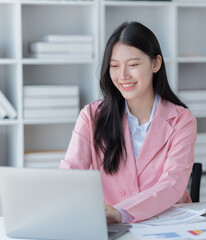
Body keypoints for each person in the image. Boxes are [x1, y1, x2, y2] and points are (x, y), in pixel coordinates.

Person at [59, 21, 197, 223]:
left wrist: (122, 212)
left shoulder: (181, 120)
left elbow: (172, 184)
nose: (123, 75)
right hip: (111, 225)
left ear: (155, 64)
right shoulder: (91, 116)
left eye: (133, 65)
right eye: (115, 66)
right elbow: (69, 176)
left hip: (167, 222)